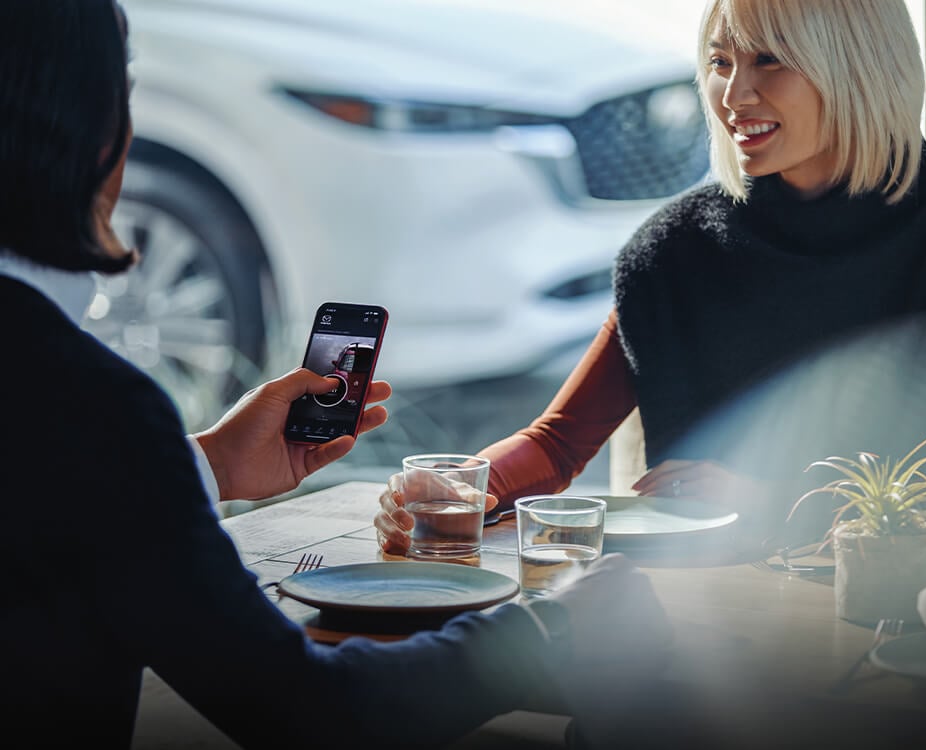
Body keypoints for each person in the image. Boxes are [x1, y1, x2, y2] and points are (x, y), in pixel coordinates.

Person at [0, 3, 671, 748]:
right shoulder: (92, 407)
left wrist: (206, 465)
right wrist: (546, 631)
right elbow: (309, 711)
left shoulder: (83, 416)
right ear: (97, 130)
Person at [377, 0, 926, 555]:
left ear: (860, 66)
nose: (733, 95)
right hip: (685, 614)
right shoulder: (674, 246)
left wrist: (775, 498)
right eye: (721, 62)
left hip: (885, 615)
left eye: (769, 60)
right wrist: (455, 486)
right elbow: (557, 444)